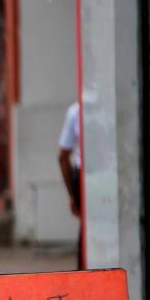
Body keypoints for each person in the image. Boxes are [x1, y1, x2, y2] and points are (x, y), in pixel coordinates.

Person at [58, 101, 83, 268]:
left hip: (82, 178)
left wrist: (72, 195)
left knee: (86, 233)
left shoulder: (76, 111)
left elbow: (63, 156)